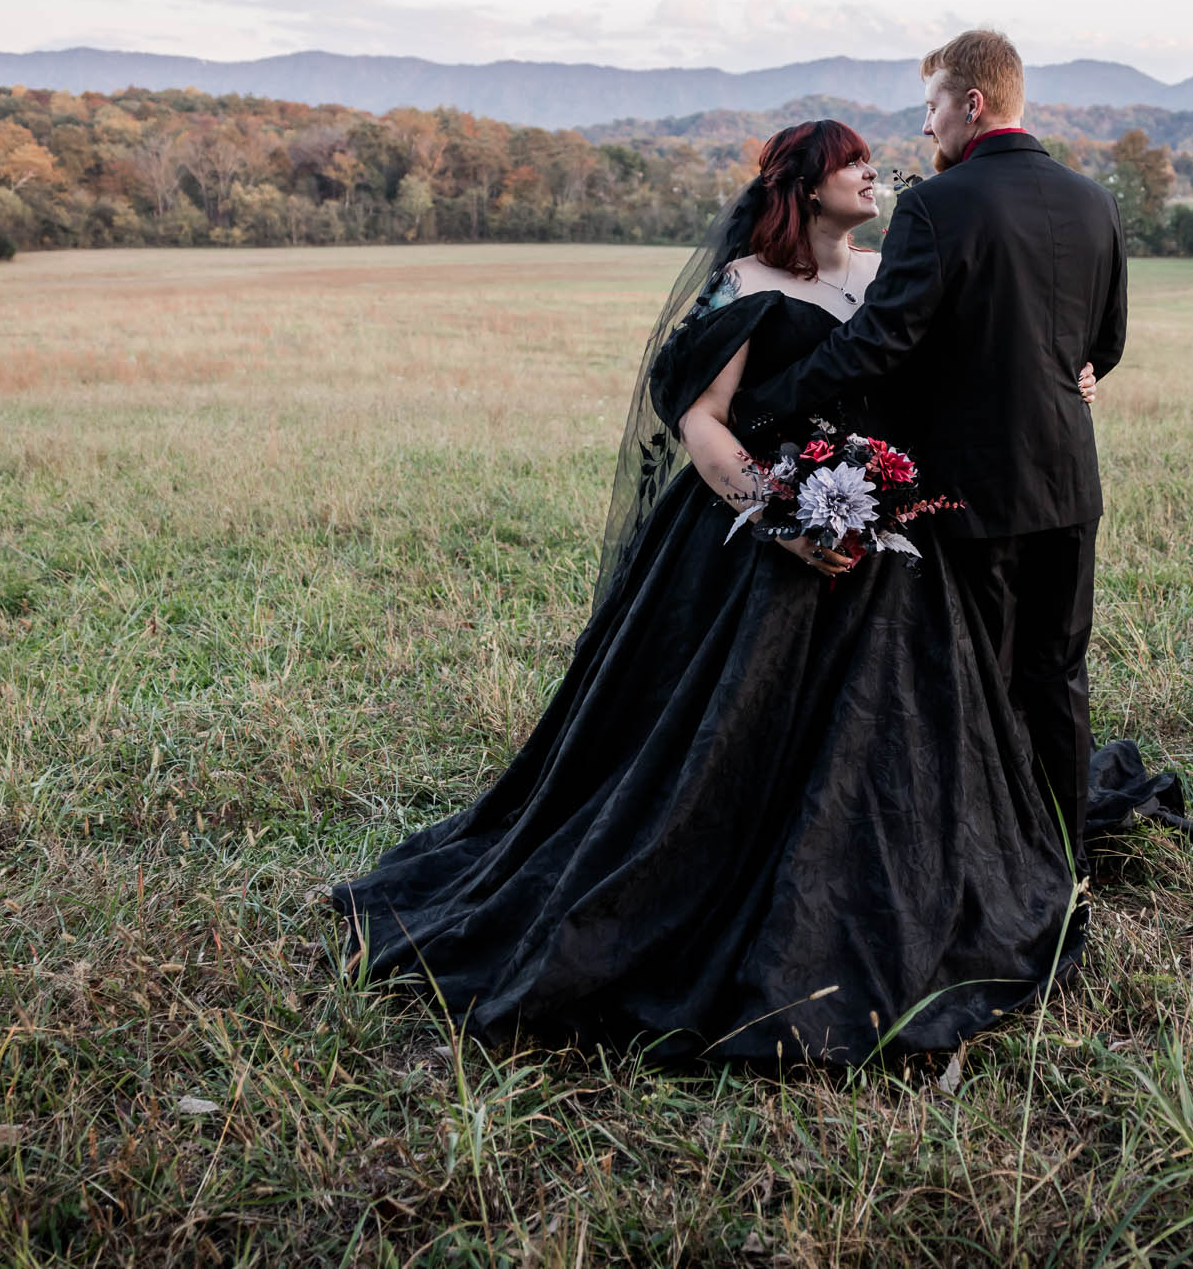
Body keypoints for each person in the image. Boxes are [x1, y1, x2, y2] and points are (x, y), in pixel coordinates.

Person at [332, 119, 1105, 1066]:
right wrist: (780, 515)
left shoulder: (887, 271)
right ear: (804, 185)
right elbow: (702, 421)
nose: (873, 171)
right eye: (851, 161)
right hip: (759, 545)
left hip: (889, 542)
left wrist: (1078, 374)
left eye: (872, 159)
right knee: (721, 747)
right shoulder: (747, 284)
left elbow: (974, 363)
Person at [733, 30, 1140, 879]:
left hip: (970, 492)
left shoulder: (937, 207)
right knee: (1058, 672)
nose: (926, 128)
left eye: (932, 106)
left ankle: (994, 859)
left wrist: (770, 402)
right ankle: (1065, 857)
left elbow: (880, 344)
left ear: (973, 104)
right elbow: (1105, 343)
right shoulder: (1095, 202)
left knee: (979, 678)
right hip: (1069, 482)